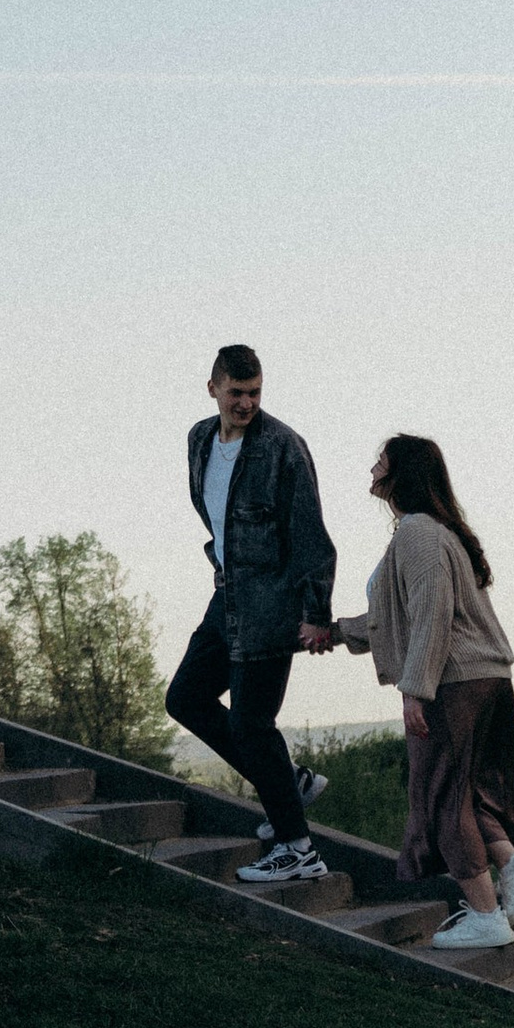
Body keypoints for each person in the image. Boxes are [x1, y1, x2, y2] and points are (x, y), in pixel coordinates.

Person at [331, 434, 514, 951]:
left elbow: (432, 614)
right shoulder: (436, 531)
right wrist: (333, 633)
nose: (371, 469)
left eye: (379, 462)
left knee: (439, 797)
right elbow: (395, 618)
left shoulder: (418, 533)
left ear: (401, 474)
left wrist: (415, 691)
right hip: (487, 678)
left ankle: (486, 916)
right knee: (465, 791)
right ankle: (513, 867)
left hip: (454, 685)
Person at [165, 345, 340, 887]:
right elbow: (212, 512)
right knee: (186, 698)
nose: (246, 403)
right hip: (228, 596)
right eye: (236, 392)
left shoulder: (284, 448)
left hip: (272, 603)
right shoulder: (199, 439)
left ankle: (297, 847)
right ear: (213, 387)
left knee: (250, 721)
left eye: (255, 393)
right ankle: (288, 782)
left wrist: (315, 612)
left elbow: (310, 533)